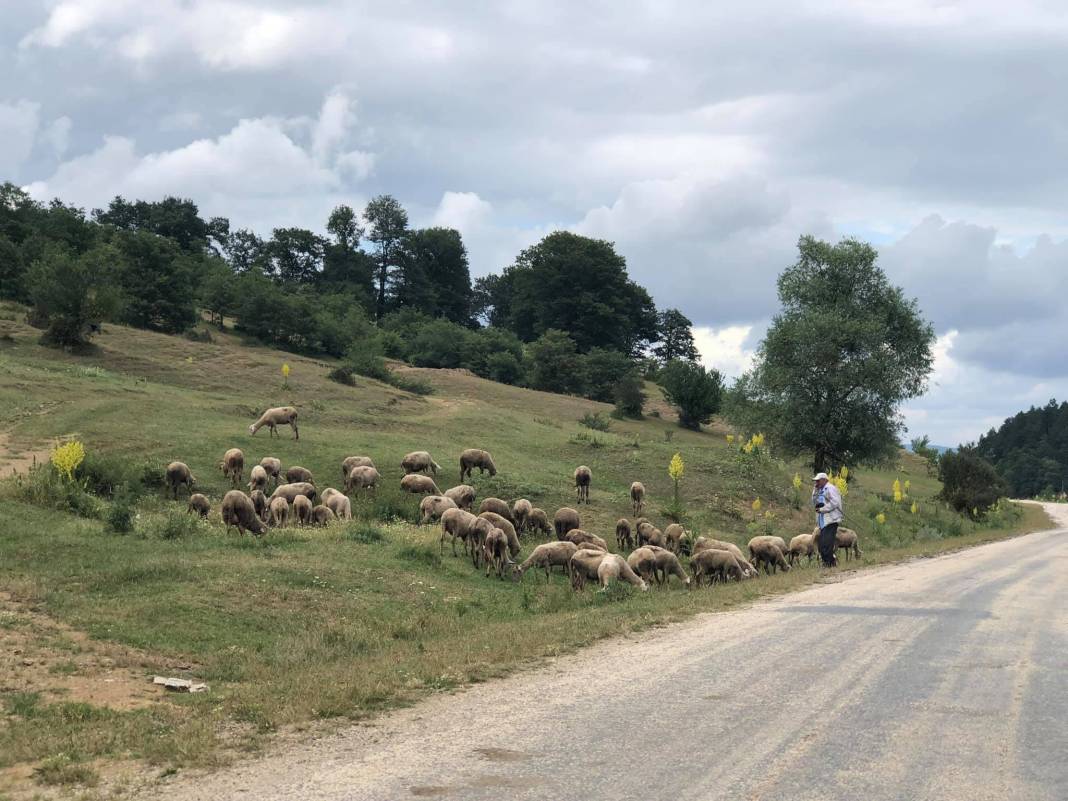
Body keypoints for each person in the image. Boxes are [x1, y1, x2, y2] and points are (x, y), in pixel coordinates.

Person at [812, 472, 842, 567]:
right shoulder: (819, 490)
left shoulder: (831, 489)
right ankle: (829, 562)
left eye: (818, 481)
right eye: (815, 481)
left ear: (824, 480)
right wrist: (815, 491)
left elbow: (835, 503)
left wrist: (823, 509)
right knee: (821, 545)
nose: (816, 482)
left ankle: (829, 563)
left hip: (831, 520)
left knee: (827, 544)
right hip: (822, 521)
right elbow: (814, 502)